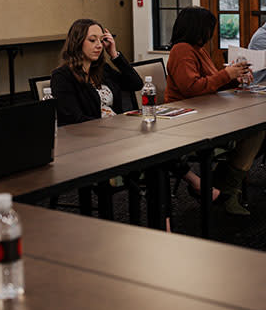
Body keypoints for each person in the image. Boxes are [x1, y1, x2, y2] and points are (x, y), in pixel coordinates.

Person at [50, 19, 215, 201]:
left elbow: (135, 84)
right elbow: (74, 118)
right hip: (89, 142)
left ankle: (167, 216)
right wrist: (113, 128)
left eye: (101, 40)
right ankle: (192, 183)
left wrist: (114, 54)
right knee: (154, 154)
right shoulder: (63, 76)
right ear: (77, 42)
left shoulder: (101, 70)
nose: (99, 45)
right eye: (92, 40)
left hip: (116, 134)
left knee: (157, 150)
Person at [165, 6, 265, 215]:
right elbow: (192, 88)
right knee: (253, 131)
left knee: (257, 128)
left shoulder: (198, 50)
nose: (211, 34)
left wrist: (235, 78)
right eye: (209, 29)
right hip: (187, 120)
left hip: (205, 112)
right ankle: (226, 186)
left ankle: (221, 182)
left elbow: (211, 83)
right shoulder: (182, 50)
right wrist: (226, 75)